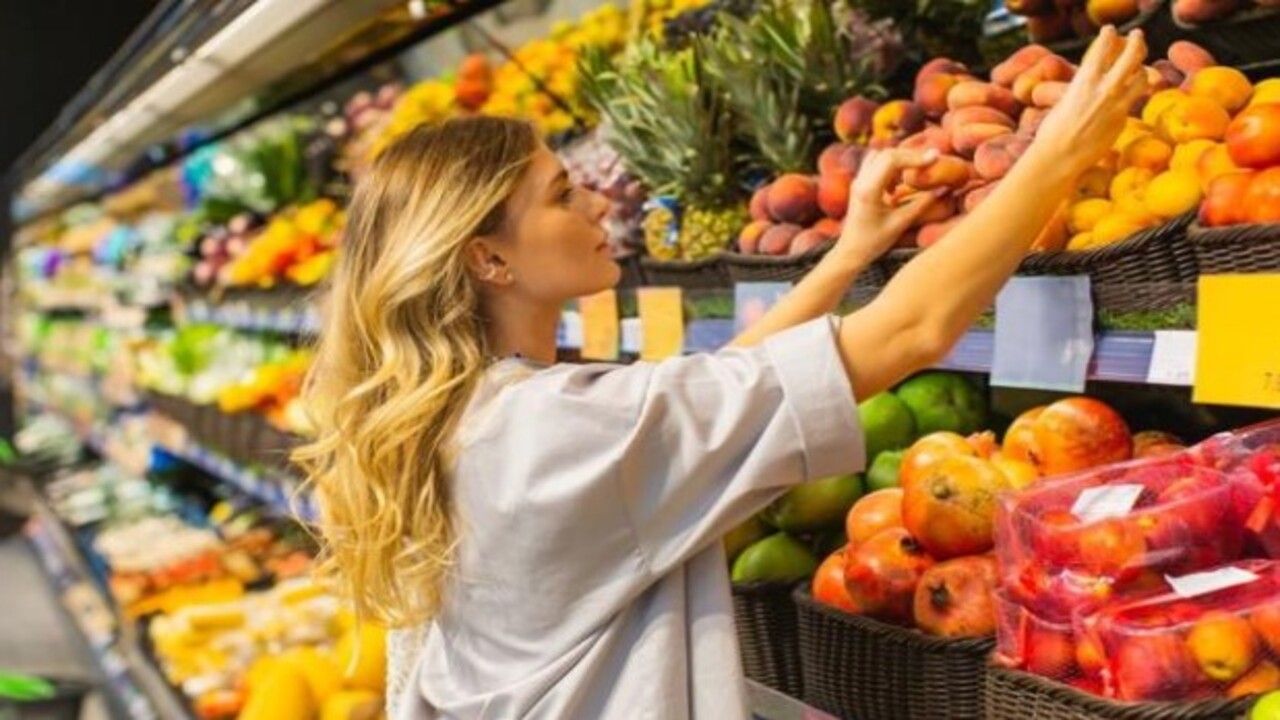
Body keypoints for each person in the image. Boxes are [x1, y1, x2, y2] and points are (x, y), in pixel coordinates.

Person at [296, 27, 1148, 720]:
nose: (598, 206)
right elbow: (915, 330)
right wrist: (1059, 154)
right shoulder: (554, 428)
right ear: (489, 258)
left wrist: (849, 252)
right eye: (561, 196)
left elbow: (723, 395)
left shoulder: (477, 419)